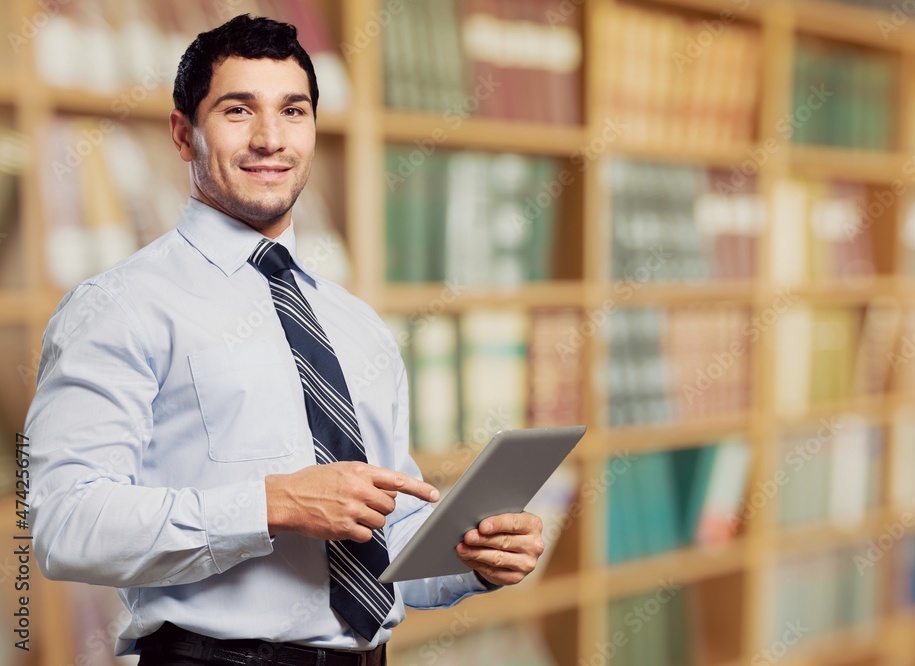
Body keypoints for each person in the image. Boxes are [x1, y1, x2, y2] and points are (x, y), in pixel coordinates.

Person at [26, 14, 543, 666]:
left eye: (292, 111)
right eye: (238, 110)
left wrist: (473, 558)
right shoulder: (119, 307)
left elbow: (386, 543)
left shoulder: (357, 324)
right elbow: (64, 526)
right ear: (184, 134)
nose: (271, 137)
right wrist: (271, 505)